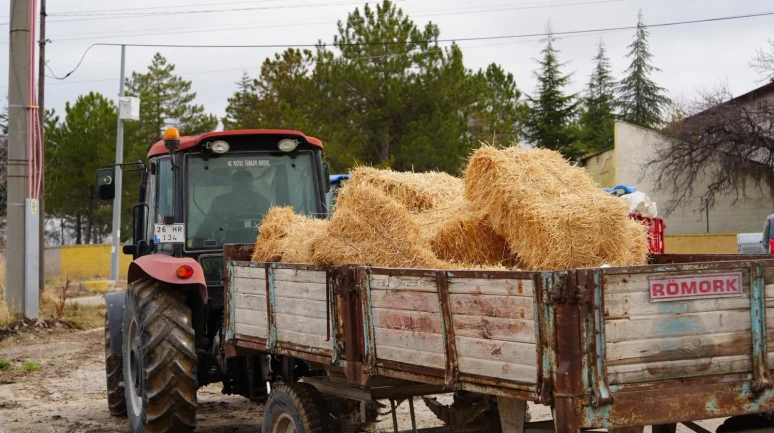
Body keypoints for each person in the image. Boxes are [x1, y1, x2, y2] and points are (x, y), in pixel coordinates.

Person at [194, 169, 270, 245]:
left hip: (259, 246)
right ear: (233, 183)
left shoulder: (263, 202)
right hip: (222, 247)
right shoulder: (220, 202)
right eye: (239, 181)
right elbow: (207, 225)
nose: (242, 184)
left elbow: (272, 225)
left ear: (252, 184)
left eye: (245, 181)